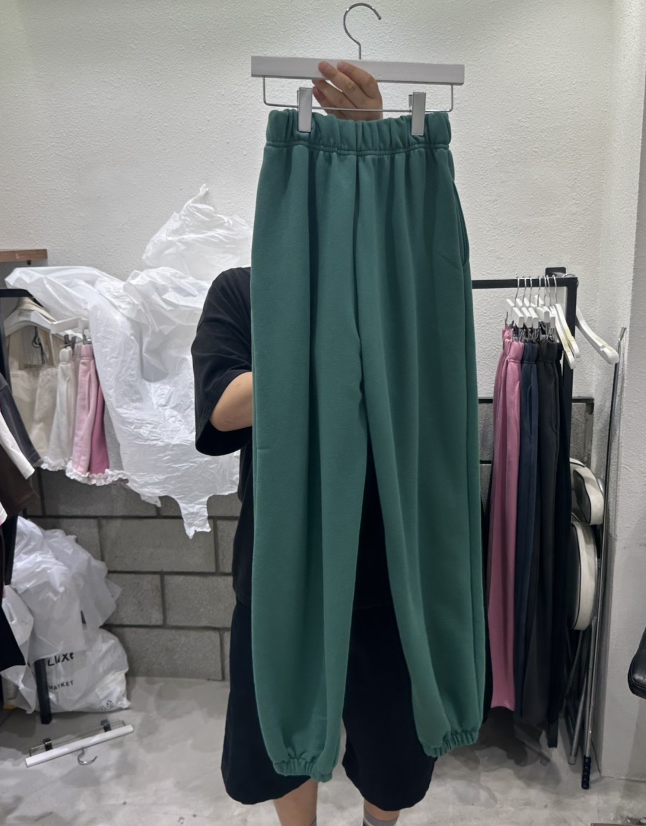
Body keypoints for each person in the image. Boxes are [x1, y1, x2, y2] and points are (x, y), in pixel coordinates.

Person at [192, 63, 436, 826]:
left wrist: (378, 151)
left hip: (386, 561)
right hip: (284, 561)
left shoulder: (394, 293)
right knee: (281, 732)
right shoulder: (242, 291)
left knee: (394, 745)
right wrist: (319, 345)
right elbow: (221, 410)